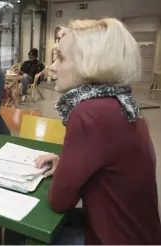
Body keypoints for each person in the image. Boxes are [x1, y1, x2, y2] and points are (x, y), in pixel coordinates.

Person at [32, 18, 161, 244]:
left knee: (24, 231)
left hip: (111, 239)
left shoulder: (89, 113)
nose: (52, 67)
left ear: (90, 64)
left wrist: (65, 168)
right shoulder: (119, 103)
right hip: (140, 236)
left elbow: (60, 201)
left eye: (60, 58)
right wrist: (66, 161)